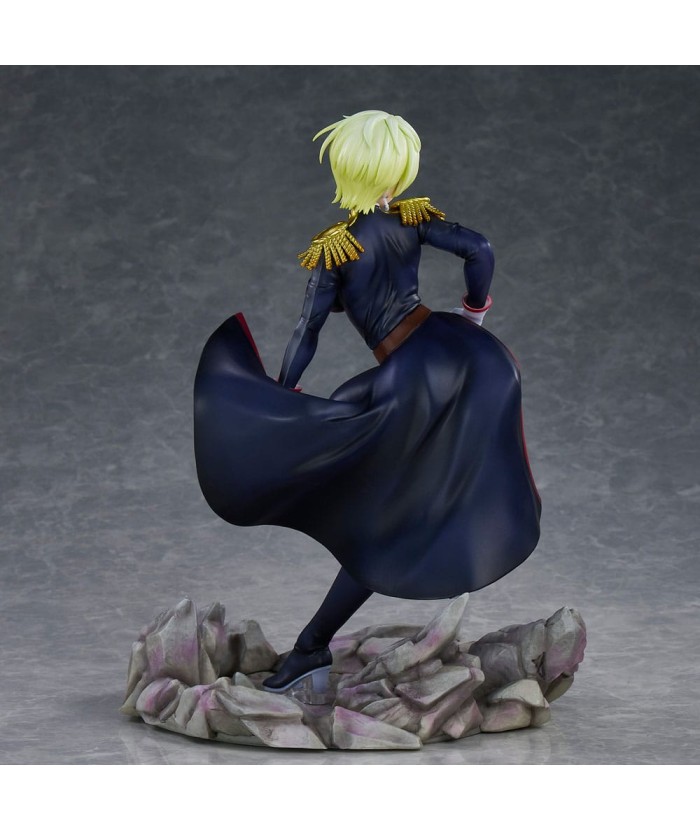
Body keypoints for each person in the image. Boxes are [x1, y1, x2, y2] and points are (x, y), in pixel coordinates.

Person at [193, 110, 541, 695]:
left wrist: (282, 396)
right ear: (395, 171)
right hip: (471, 356)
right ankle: (321, 635)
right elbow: (479, 249)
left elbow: (307, 331)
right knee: (397, 491)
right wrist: (473, 313)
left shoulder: (337, 247)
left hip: (412, 372)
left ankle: (313, 645)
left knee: (376, 504)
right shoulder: (411, 219)